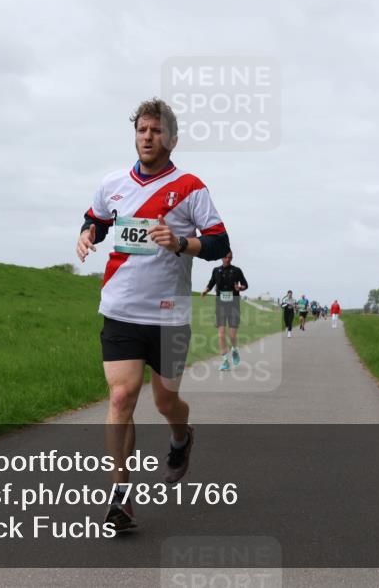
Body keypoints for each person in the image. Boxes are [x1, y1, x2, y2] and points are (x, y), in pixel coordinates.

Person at [76, 98, 230, 531]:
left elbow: (219, 242)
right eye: (142, 130)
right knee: (121, 397)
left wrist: (181, 243)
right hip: (121, 308)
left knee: (165, 402)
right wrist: (87, 234)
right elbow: (96, 219)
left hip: (169, 316)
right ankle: (120, 498)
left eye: (156, 131)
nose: (148, 137)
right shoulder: (112, 183)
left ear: (172, 139)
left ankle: (181, 436)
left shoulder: (191, 187)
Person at [201, 250, 248, 371]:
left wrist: (239, 288)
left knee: (232, 336)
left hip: (233, 306)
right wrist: (206, 290)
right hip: (220, 305)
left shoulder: (237, 271)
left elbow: (245, 285)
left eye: (230, 258)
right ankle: (225, 361)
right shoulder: (216, 270)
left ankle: (235, 350)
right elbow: (211, 283)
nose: (228, 259)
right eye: (226, 257)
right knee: (221, 335)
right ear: (222, 257)